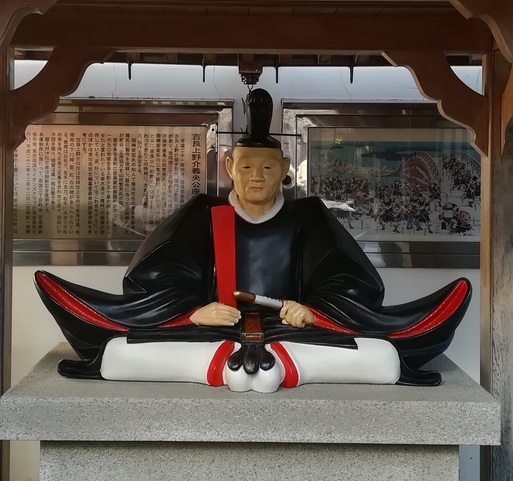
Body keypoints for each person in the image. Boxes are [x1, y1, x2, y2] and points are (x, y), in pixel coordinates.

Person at [35, 89, 471, 392]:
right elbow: (162, 276)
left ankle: (249, 364)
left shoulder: (307, 215)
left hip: (289, 330)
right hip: (211, 330)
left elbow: (344, 278)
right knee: (125, 342)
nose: (256, 177)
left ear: (284, 169)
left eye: (266, 167)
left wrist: (314, 310)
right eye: (246, 167)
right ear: (229, 168)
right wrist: (194, 311)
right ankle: (264, 365)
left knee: (379, 349)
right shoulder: (206, 214)